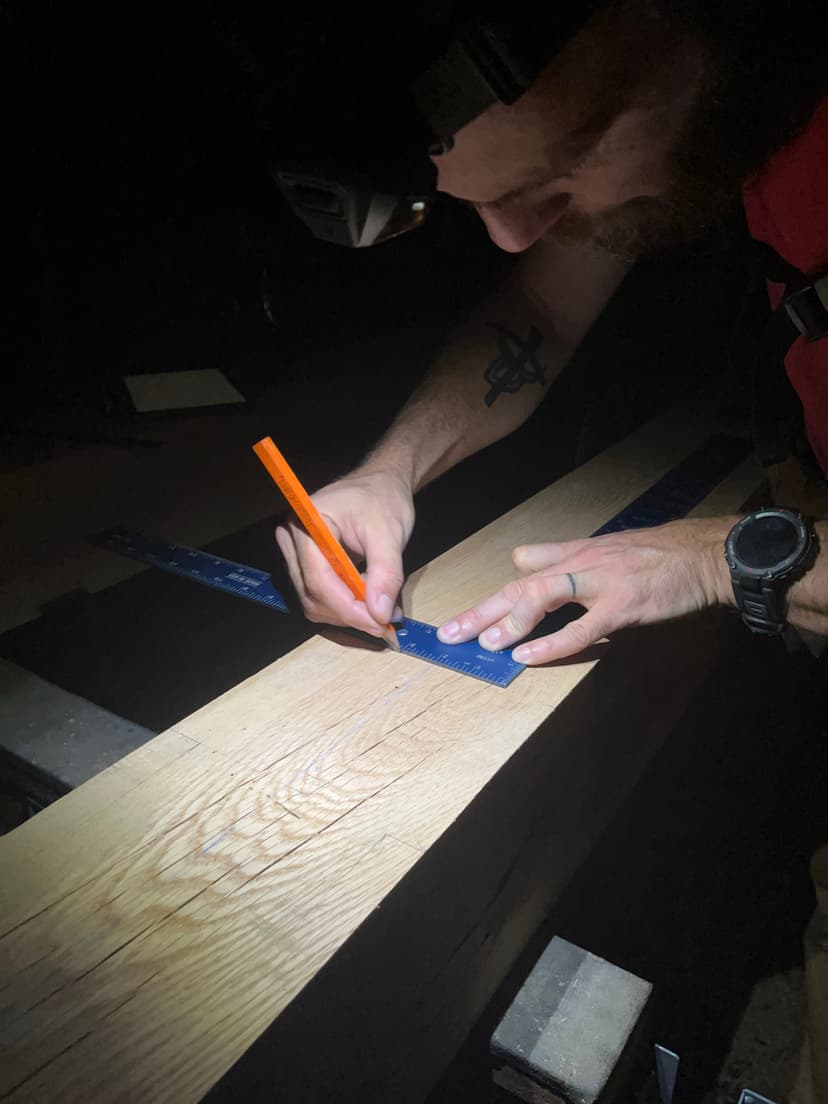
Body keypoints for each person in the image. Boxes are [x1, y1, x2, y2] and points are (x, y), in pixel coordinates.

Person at [276, 0, 827, 664]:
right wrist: (389, 473)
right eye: (475, 202)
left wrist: (714, 560)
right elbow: (542, 309)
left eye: (556, 172)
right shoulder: (710, 120)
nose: (513, 238)